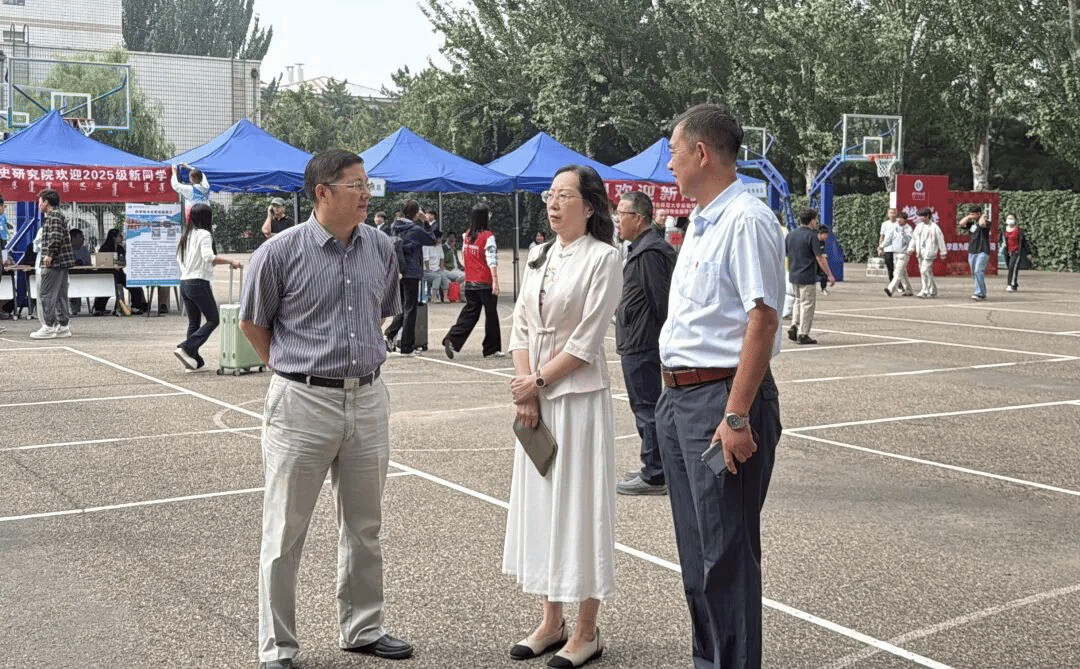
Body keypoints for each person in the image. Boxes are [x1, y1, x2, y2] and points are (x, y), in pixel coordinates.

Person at [239, 149, 410, 669]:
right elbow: (253, 324)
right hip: (302, 402)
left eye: (367, 184)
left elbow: (384, 311)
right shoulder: (279, 252)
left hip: (367, 397)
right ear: (322, 192)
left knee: (364, 526)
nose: (366, 194)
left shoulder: (380, 247)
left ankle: (363, 628)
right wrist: (293, 372)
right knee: (285, 530)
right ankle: (277, 646)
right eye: (356, 185)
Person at [657, 104, 785, 669]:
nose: (670, 163)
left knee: (725, 561)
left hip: (721, 400)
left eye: (674, 151)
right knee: (697, 560)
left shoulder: (746, 219)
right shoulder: (703, 222)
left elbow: (763, 318)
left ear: (701, 153)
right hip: (679, 401)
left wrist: (735, 415)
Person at [503, 164, 622, 669]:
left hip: (577, 399)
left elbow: (587, 341)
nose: (553, 203)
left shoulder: (605, 258)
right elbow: (521, 326)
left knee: (581, 507)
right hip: (537, 398)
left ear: (589, 206)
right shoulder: (540, 255)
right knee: (543, 507)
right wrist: (526, 390)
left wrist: (538, 382)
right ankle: (550, 621)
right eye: (549, 195)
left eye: (564, 195)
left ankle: (588, 630)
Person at [613, 190, 676, 497]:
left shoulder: (650, 252)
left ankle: (655, 474)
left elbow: (660, 301)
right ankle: (655, 466)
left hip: (642, 342)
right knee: (645, 407)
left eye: (621, 215)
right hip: (637, 339)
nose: (617, 221)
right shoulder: (642, 248)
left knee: (646, 408)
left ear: (638, 218)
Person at [173, 203, 241, 370]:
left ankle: (193, 362)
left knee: (194, 322)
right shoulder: (204, 234)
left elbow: (181, 259)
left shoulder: (186, 235)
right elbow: (208, 257)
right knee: (213, 319)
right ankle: (187, 347)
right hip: (198, 282)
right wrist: (231, 261)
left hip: (185, 282)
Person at [442, 202, 504, 359]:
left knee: (470, 314)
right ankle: (491, 348)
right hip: (485, 282)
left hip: (470, 282)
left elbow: (465, 256)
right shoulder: (488, 236)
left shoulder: (466, 236)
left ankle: (452, 338)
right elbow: (491, 259)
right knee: (491, 315)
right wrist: (495, 281)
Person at [384, 200, 436, 355]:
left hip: (398, 269)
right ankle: (406, 346)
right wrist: (426, 223)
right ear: (416, 213)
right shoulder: (415, 229)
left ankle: (390, 334)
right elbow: (432, 240)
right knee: (410, 308)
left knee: (402, 306)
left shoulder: (394, 226)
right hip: (412, 271)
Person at [30, 189, 75, 339]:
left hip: (54, 262)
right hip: (61, 262)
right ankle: (63, 326)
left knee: (46, 294)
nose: (38, 204)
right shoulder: (58, 215)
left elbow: (55, 237)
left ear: (46, 202)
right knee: (61, 295)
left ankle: (48, 326)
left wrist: (49, 254)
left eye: (40, 201)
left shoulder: (53, 216)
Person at [786, 208, 834, 345]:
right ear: (812, 220)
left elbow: (786, 255)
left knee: (798, 301)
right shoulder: (812, 236)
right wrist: (829, 274)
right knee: (807, 304)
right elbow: (819, 257)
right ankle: (803, 334)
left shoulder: (791, 235)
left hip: (794, 274)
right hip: (807, 275)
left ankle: (794, 325)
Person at [92, 229, 150, 316]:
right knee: (107, 288)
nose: (122, 238)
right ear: (114, 238)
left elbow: (123, 263)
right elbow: (102, 262)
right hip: (107, 274)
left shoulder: (120, 249)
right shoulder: (104, 248)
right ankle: (99, 308)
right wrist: (114, 262)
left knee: (134, 286)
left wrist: (117, 262)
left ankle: (136, 306)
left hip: (119, 274)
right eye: (120, 236)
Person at [909, 207, 947, 298]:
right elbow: (914, 238)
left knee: (924, 270)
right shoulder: (919, 226)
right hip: (920, 252)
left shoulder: (934, 227)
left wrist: (943, 252)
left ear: (928, 216)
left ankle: (925, 290)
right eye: (920, 216)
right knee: (927, 272)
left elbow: (940, 240)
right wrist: (911, 248)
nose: (921, 218)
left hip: (930, 252)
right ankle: (933, 290)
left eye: (923, 216)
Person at [962, 204, 991, 300]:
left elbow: (982, 224)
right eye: (971, 214)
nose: (972, 216)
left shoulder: (986, 222)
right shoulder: (972, 224)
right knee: (975, 273)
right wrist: (968, 217)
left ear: (979, 213)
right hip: (972, 251)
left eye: (974, 214)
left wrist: (982, 216)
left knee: (978, 270)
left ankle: (979, 293)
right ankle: (981, 291)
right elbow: (961, 223)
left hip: (982, 250)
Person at [883, 211, 915, 297]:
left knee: (897, 273)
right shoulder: (895, 228)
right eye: (898, 219)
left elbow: (911, 240)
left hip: (904, 254)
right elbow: (888, 239)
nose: (899, 220)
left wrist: (910, 248)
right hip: (895, 253)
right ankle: (909, 290)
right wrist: (882, 246)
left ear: (905, 220)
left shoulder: (908, 229)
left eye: (901, 219)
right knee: (902, 273)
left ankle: (890, 289)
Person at [68, 228, 92, 314]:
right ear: (73, 238)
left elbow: (89, 263)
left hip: (83, 275)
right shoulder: (67, 250)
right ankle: (73, 307)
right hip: (70, 276)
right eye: (81, 237)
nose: (83, 239)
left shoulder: (85, 249)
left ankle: (76, 307)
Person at [1002, 214, 1028, 291]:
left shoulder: (1018, 230)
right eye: (1008, 218)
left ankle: (1010, 284)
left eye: (1012, 218)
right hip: (1008, 252)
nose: (1010, 220)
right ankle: (1014, 283)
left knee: (1012, 267)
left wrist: (1027, 252)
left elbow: (1023, 242)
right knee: (1010, 267)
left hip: (1016, 251)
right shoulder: (1004, 230)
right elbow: (1002, 240)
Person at [877, 207, 899, 281]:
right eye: (891, 213)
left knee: (898, 268)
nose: (892, 215)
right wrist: (880, 248)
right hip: (888, 249)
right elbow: (882, 236)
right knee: (890, 268)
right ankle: (892, 283)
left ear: (896, 214)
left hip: (897, 249)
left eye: (894, 213)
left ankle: (899, 284)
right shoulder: (885, 224)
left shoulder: (899, 223)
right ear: (888, 214)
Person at [815, 226, 831, 296]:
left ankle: (823, 288)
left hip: (819, 261)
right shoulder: (814, 241)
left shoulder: (822, 242)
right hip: (812, 261)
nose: (826, 236)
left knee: (824, 273)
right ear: (820, 234)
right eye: (825, 234)